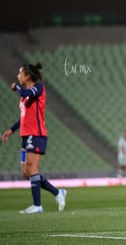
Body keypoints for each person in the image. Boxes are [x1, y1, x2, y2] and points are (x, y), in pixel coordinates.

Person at [1, 63, 67, 214]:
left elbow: (24, 93)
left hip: (36, 134)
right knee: (26, 172)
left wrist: (16, 87)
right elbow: (24, 118)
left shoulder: (38, 88)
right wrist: (11, 129)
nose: (18, 76)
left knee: (32, 168)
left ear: (27, 76)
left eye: (20, 74)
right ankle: (58, 193)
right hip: (25, 135)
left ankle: (37, 205)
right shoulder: (24, 98)